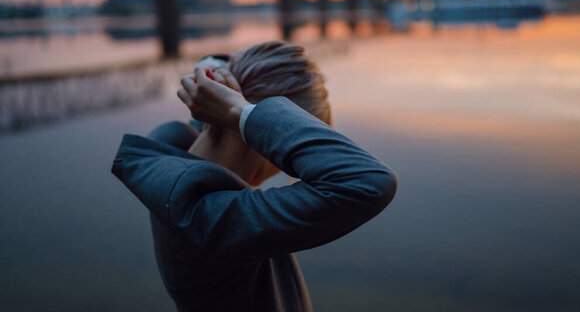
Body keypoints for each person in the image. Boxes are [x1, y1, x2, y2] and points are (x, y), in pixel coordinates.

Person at [111, 40, 398, 312]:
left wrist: (221, 82)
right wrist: (242, 111)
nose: (285, 167)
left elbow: (218, 112)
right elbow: (370, 181)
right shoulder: (215, 221)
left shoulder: (177, 169)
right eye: (291, 146)